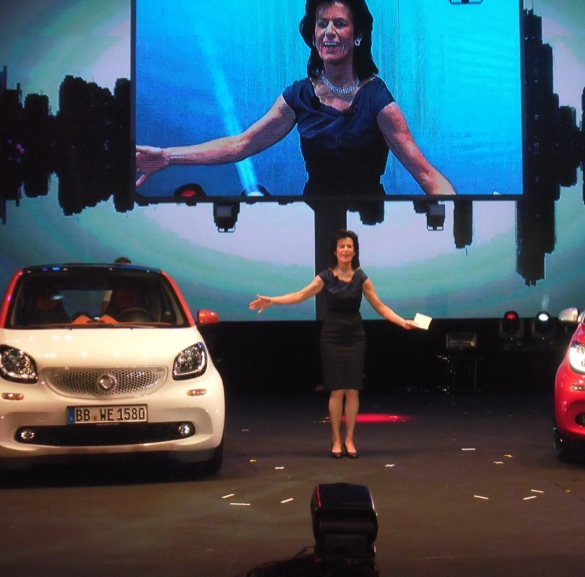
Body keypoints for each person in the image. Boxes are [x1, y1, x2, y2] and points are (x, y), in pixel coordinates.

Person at [134, 0, 456, 198]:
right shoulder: (299, 97)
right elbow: (241, 145)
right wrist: (167, 156)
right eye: (322, 24)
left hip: (368, 223)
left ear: (357, 36)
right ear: (313, 35)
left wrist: (461, 216)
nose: (329, 31)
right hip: (314, 220)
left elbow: (426, 175)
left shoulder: (377, 100)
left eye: (340, 24)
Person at [249, 230, 413, 459]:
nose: (345, 250)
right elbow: (300, 295)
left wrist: (402, 321)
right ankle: (336, 440)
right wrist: (272, 301)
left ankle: (350, 439)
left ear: (354, 251)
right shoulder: (325, 277)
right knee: (336, 390)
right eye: (341, 246)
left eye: (349, 246)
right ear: (335, 251)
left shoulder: (361, 278)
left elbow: (381, 307)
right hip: (332, 336)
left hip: (355, 336)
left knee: (352, 390)